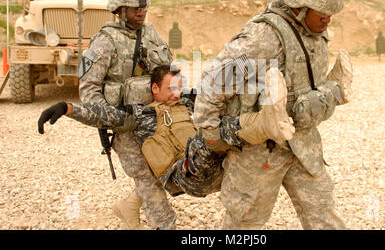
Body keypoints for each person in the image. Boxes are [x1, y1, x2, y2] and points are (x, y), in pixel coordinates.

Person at [193, 0, 353, 230]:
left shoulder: (315, 33)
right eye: (323, 13)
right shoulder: (265, 38)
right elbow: (214, 83)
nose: (328, 20)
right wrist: (210, 132)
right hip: (260, 152)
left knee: (323, 215)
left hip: (302, 146)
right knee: (245, 223)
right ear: (300, 7)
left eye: (332, 14)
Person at [38, 65, 295, 227]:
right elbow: (105, 115)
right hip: (183, 175)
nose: (176, 94)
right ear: (154, 89)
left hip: (216, 170)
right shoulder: (141, 115)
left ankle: (270, 111)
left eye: (179, 88)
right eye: (170, 89)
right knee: (207, 135)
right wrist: (67, 108)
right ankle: (265, 123)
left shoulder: (190, 104)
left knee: (222, 122)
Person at [77, 0, 175, 229]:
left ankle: (129, 205)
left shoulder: (151, 35)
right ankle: (165, 225)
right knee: (145, 176)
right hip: (124, 125)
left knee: (164, 170)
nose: (141, 13)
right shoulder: (104, 42)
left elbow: (167, 74)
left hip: (153, 119)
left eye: (143, 9)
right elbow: (88, 91)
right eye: (134, 9)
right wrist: (112, 116)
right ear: (118, 10)